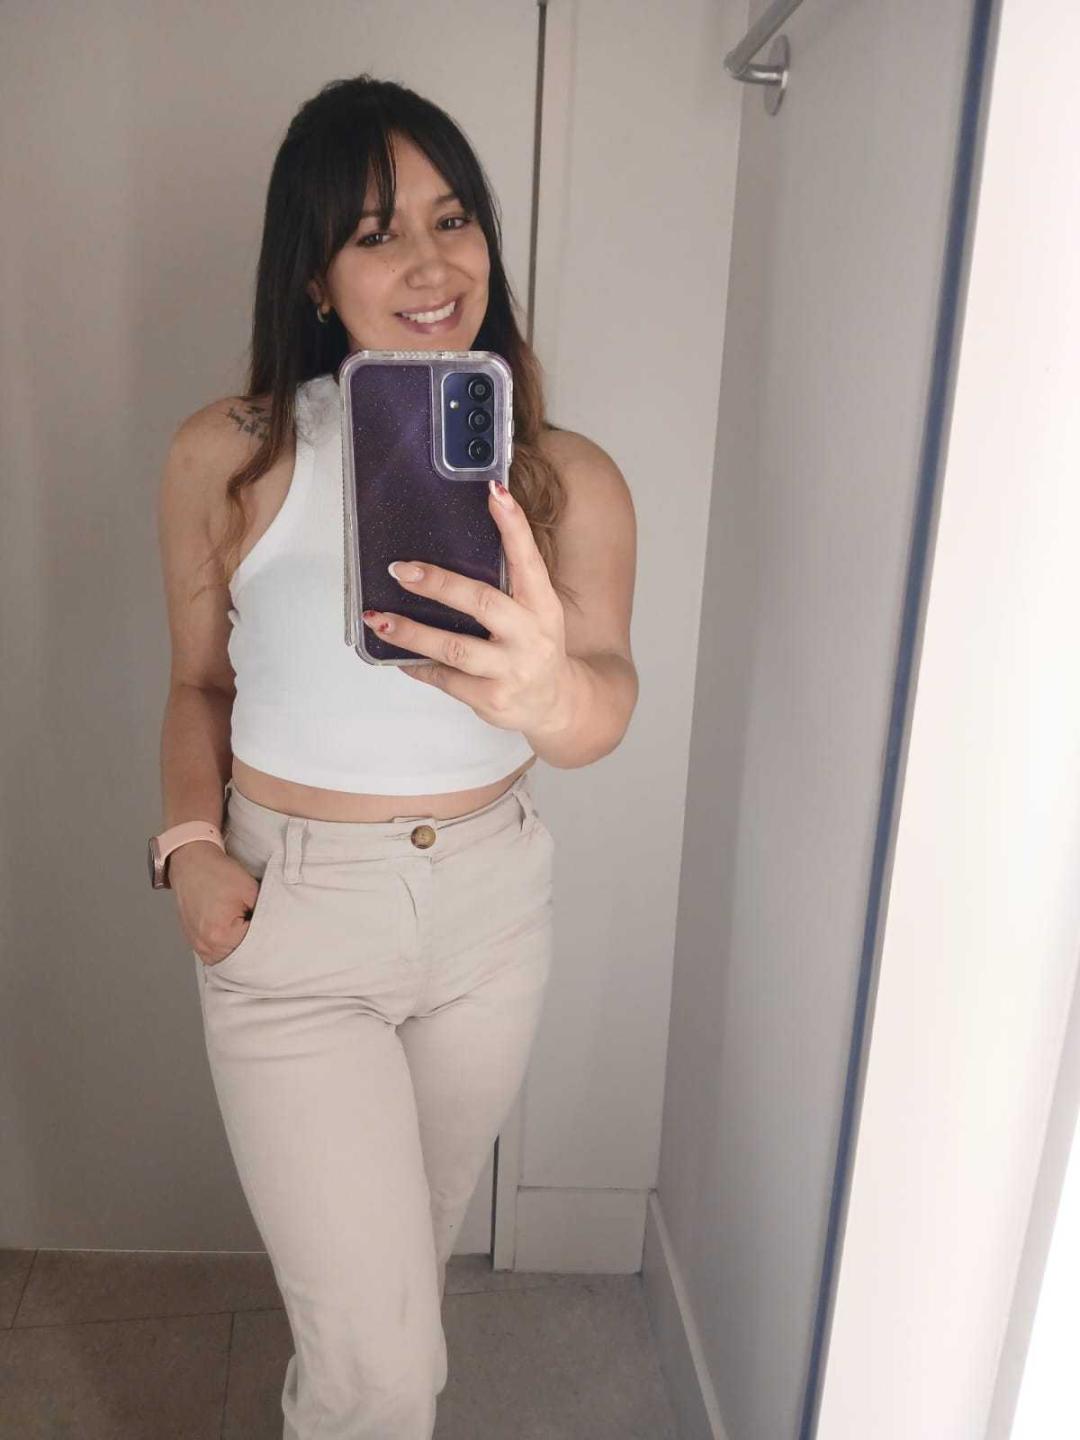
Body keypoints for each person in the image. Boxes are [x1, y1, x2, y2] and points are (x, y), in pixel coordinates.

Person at [151, 74, 637, 1440]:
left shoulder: (567, 478)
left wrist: (549, 692)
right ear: (314, 276)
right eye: (376, 234)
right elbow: (196, 686)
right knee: (384, 1368)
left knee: (388, 1318)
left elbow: (603, 708)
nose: (431, 263)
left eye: (452, 217)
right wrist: (189, 849)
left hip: (488, 920)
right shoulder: (227, 458)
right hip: (294, 917)